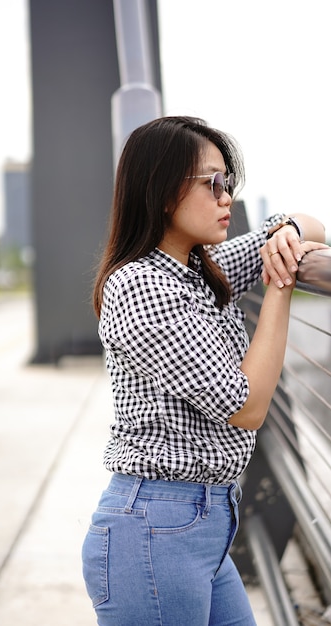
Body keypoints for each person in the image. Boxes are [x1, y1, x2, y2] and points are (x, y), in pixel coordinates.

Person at [81, 116, 327, 626]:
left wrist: (286, 236)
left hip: (205, 524)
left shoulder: (201, 270)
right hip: (155, 531)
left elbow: (312, 225)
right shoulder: (141, 286)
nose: (227, 198)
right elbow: (246, 405)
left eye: (229, 183)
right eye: (212, 183)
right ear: (163, 191)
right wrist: (280, 286)